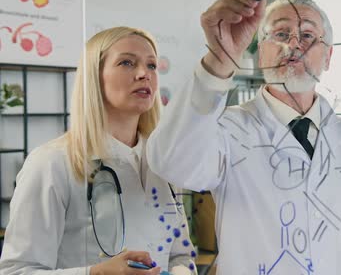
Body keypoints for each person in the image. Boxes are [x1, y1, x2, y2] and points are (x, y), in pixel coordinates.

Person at [146, 0, 341, 274]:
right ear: (261, 56)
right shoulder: (227, 130)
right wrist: (219, 59)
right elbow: (171, 162)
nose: (294, 44)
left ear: (329, 57)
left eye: (308, 35)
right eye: (281, 34)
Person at [0, 27, 196, 275]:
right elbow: (16, 270)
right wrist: (96, 273)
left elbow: (180, 255)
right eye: (127, 62)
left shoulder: (163, 162)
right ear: (95, 76)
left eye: (152, 65)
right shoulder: (51, 163)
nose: (143, 74)